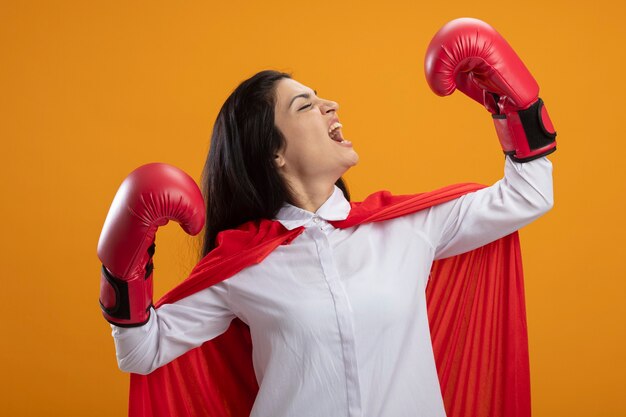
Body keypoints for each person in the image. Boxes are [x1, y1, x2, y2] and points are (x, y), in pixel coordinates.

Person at [98, 18, 556, 417]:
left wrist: (512, 105)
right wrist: (124, 267)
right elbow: (143, 350)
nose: (331, 106)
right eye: (305, 105)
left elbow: (528, 195)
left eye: (320, 99)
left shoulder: (407, 226)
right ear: (275, 152)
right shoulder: (242, 264)